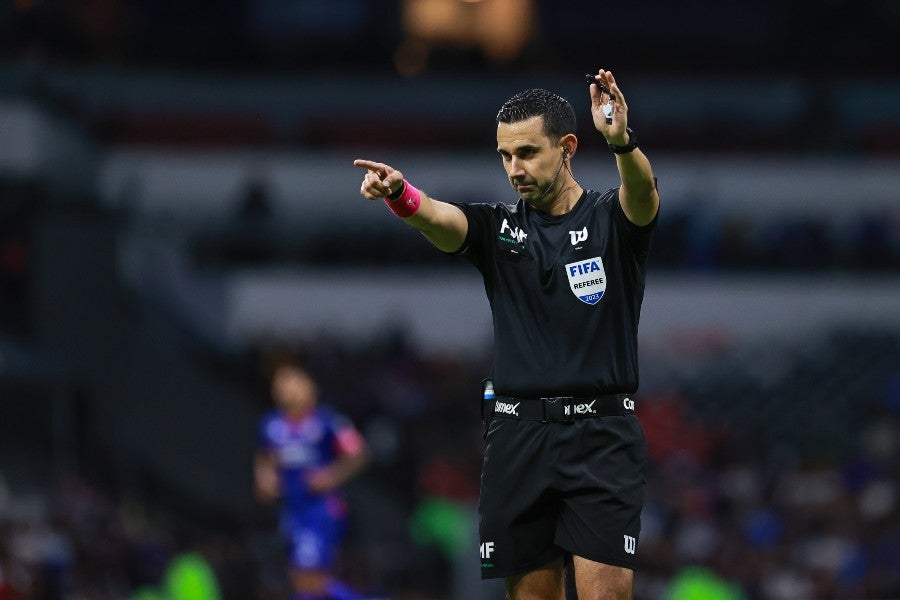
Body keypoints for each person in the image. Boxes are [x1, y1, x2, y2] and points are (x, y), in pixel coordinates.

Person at [354, 68, 659, 600]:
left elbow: (643, 194)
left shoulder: (612, 219)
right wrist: (401, 195)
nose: (513, 168)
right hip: (518, 439)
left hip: (601, 439)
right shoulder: (499, 231)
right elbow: (442, 220)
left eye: (526, 153)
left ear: (567, 147)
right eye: (504, 155)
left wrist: (621, 142)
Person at [254, 361, 370, 600]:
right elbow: (265, 458)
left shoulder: (327, 421)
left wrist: (332, 475)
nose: (285, 389)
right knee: (302, 578)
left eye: (292, 382)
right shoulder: (271, 425)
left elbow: (358, 452)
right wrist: (265, 479)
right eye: (280, 384)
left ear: (309, 386)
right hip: (291, 508)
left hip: (320, 510)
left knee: (308, 576)